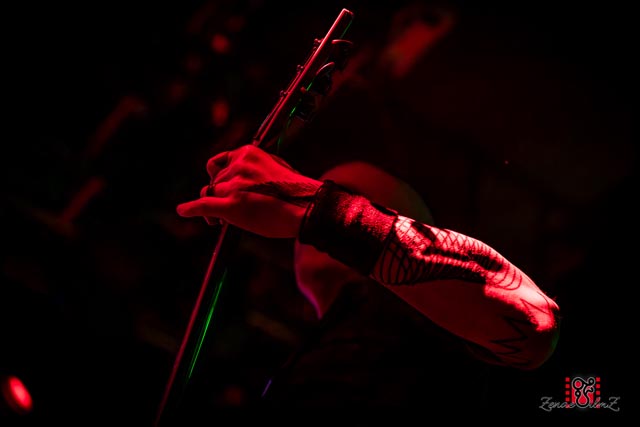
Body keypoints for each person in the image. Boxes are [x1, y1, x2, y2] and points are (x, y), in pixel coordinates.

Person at [176, 144, 560, 419]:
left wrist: (319, 207)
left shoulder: (431, 317)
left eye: (348, 196)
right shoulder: (311, 348)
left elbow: (536, 324)